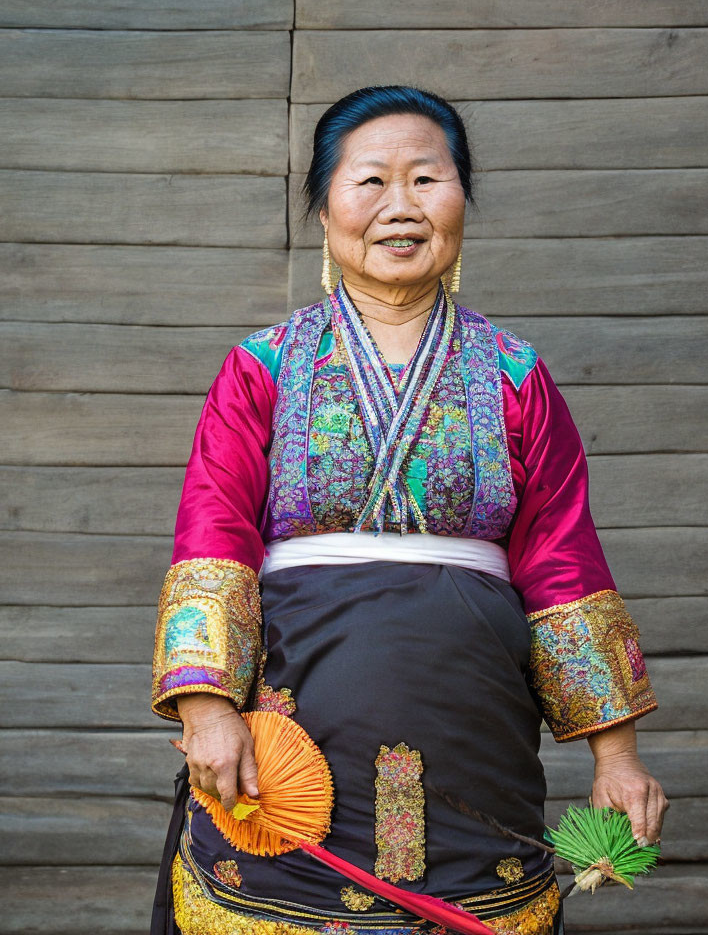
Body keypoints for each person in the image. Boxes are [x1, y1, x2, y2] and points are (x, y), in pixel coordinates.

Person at [150, 85, 668, 935]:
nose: (401, 207)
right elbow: (214, 534)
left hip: (477, 735)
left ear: (463, 198)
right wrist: (207, 710)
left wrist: (617, 757)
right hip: (296, 727)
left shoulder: (515, 374)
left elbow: (562, 560)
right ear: (323, 208)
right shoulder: (262, 370)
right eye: (370, 183)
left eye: (427, 180)